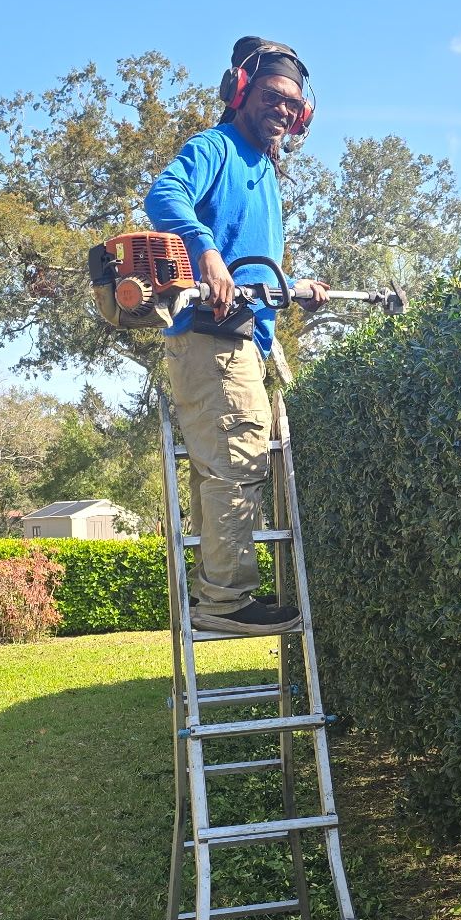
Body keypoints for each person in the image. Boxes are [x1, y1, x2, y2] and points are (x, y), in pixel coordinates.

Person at [144, 37, 328, 637]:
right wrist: (207, 256)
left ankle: (218, 590)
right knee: (236, 464)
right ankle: (225, 602)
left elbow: (254, 267)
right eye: (273, 97)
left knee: (232, 463)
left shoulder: (266, 172)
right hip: (210, 335)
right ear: (241, 93)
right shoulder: (217, 148)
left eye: (293, 105)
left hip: (248, 337)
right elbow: (163, 195)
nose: (283, 111)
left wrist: (294, 285)